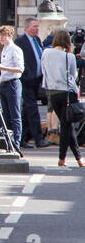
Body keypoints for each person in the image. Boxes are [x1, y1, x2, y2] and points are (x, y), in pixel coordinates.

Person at [42, 29, 83, 167]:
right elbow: (73, 76)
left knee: (67, 125)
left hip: (52, 92)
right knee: (66, 126)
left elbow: (44, 72)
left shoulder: (46, 53)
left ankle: (76, 158)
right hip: (67, 93)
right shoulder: (69, 56)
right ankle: (63, 158)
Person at [15, 20, 49, 148]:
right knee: (33, 109)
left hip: (36, 80)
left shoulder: (37, 40)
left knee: (27, 110)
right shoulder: (20, 42)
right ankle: (38, 138)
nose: (37, 28)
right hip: (27, 80)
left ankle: (23, 137)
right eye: (35, 26)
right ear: (27, 28)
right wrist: (26, 75)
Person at [0, 24, 24, 148]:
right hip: (3, 83)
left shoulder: (15, 49)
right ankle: (9, 141)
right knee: (6, 115)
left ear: (10, 36)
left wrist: (0, 67)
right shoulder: (4, 49)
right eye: (0, 35)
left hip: (13, 83)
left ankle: (17, 143)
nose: (1, 38)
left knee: (15, 115)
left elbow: (20, 69)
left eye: (4, 35)